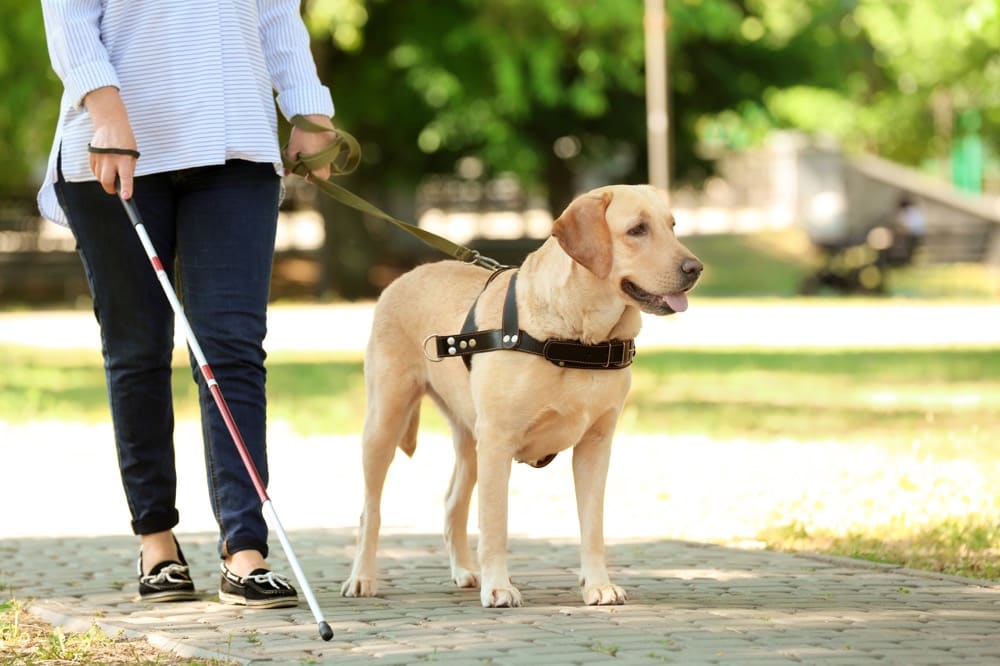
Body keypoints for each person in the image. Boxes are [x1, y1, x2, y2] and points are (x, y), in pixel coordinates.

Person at [39, 1, 336, 607]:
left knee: (231, 347)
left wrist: (310, 110)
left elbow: (277, 15)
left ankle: (245, 552)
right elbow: (69, 18)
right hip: (114, 148)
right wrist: (107, 110)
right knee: (138, 347)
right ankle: (156, 541)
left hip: (236, 149)